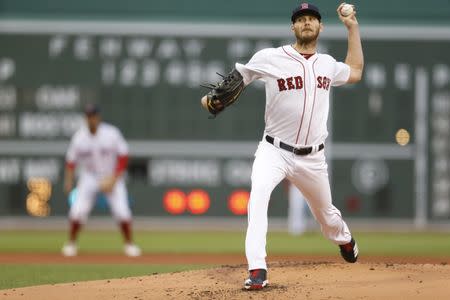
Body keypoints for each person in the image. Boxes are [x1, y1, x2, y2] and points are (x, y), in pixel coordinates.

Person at [200, 3, 363, 290]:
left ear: (321, 27)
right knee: (258, 199)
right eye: (301, 19)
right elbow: (240, 77)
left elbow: (356, 70)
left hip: (312, 157)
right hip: (273, 150)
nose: (307, 22)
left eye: (312, 18)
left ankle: (345, 239)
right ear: (293, 27)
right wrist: (215, 98)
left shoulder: (326, 63)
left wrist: (352, 27)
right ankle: (257, 269)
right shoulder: (270, 57)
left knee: (327, 218)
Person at [61, 103, 142, 257]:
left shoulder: (111, 133)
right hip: (89, 177)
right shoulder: (79, 137)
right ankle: (71, 244)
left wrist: (114, 178)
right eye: (88, 116)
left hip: (111, 175)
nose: (91, 119)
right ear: (86, 118)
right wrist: (68, 181)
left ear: (98, 117)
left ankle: (129, 245)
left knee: (122, 212)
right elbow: (71, 162)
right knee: (77, 211)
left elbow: (124, 156)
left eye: (93, 115)